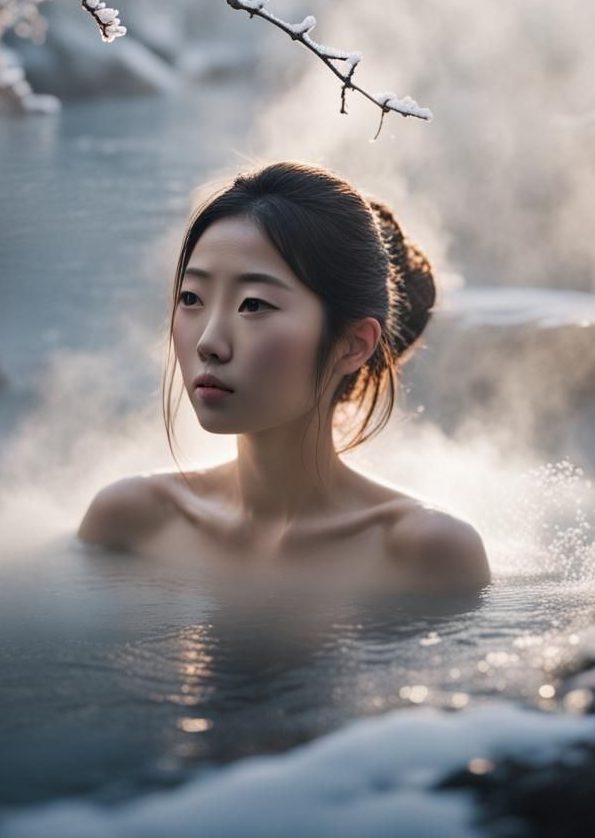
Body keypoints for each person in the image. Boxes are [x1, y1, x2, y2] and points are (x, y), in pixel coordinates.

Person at [77, 161, 490, 595]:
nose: (209, 342)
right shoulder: (130, 521)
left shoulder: (427, 553)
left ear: (352, 344)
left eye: (253, 305)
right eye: (191, 297)